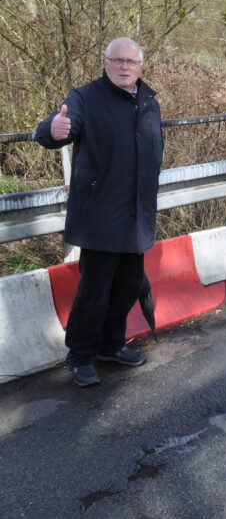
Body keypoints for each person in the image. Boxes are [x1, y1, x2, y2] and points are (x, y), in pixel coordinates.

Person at [35, 37, 162, 387]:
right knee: (95, 292)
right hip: (101, 216)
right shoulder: (85, 97)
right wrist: (52, 130)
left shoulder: (149, 101)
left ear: (141, 66)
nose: (124, 67)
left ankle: (110, 346)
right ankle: (80, 355)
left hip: (137, 215)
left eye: (131, 62)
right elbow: (60, 126)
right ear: (104, 63)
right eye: (116, 60)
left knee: (127, 287)